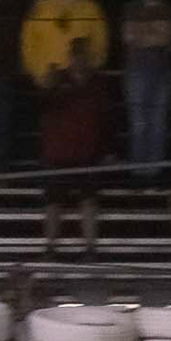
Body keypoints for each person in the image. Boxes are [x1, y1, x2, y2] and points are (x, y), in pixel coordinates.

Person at [40, 37, 110, 260]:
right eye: (76, 55)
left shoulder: (98, 83)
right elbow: (42, 105)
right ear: (70, 57)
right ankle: (50, 249)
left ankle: (90, 249)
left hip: (88, 153)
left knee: (89, 201)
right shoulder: (58, 80)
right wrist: (48, 86)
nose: (80, 60)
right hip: (58, 152)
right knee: (54, 202)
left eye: (84, 55)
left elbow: (107, 119)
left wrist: (106, 149)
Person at [120, 0, 171, 178]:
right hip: (136, 71)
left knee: (158, 122)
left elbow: (165, 39)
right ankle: (138, 171)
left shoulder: (168, 11)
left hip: (162, 72)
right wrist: (154, 35)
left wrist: (143, 35)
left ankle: (154, 172)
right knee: (139, 122)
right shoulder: (133, 8)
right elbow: (128, 37)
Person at [20, 0, 107, 91]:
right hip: (48, 79)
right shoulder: (39, 7)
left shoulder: (91, 8)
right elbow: (28, 43)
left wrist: (91, 70)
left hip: (81, 81)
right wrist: (38, 73)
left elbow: (100, 43)